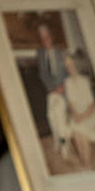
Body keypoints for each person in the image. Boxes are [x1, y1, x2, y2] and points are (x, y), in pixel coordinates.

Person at [61, 50, 95, 169]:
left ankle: (87, 163)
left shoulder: (84, 81)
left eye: (71, 65)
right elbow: (71, 105)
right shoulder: (67, 82)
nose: (69, 68)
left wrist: (81, 117)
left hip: (89, 114)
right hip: (77, 114)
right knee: (76, 131)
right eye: (67, 66)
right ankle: (84, 161)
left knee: (80, 128)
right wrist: (75, 115)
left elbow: (91, 106)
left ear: (76, 64)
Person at [35, 19, 70, 159]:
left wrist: (63, 86)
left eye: (47, 36)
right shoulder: (40, 54)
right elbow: (42, 74)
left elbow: (69, 71)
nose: (45, 40)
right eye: (42, 38)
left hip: (63, 91)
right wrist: (51, 88)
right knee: (51, 116)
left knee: (59, 117)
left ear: (51, 36)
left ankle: (64, 145)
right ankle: (56, 140)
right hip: (51, 92)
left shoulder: (61, 52)